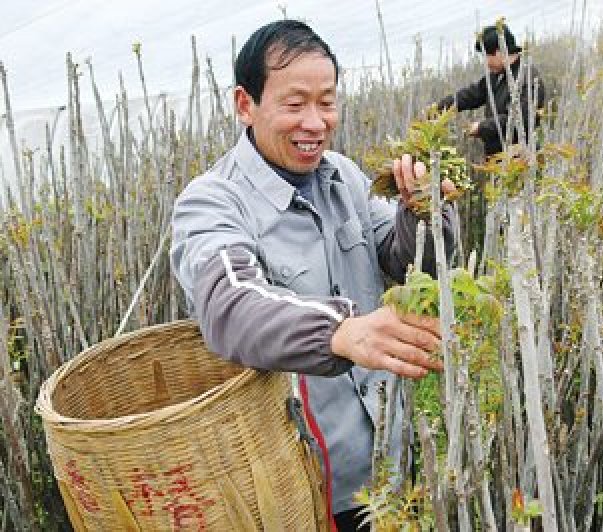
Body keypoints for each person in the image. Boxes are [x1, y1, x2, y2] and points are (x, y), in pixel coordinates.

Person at [170, 19, 456, 532]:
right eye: (295, 103)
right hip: (304, 488)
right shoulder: (212, 201)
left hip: (391, 461)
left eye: (327, 102)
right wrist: (340, 331)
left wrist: (423, 213)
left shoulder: (343, 176)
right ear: (245, 105)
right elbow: (228, 305)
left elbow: (403, 261)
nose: (316, 122)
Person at [437, 22, 547, 157]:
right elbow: (473, 94)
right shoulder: (498, 75)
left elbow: (518, 120)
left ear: (499, 53)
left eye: (486, 57)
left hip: (520, 161)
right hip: (496, 159)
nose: (485, 63)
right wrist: (441, 107)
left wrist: (481, 127)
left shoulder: (529, 80)